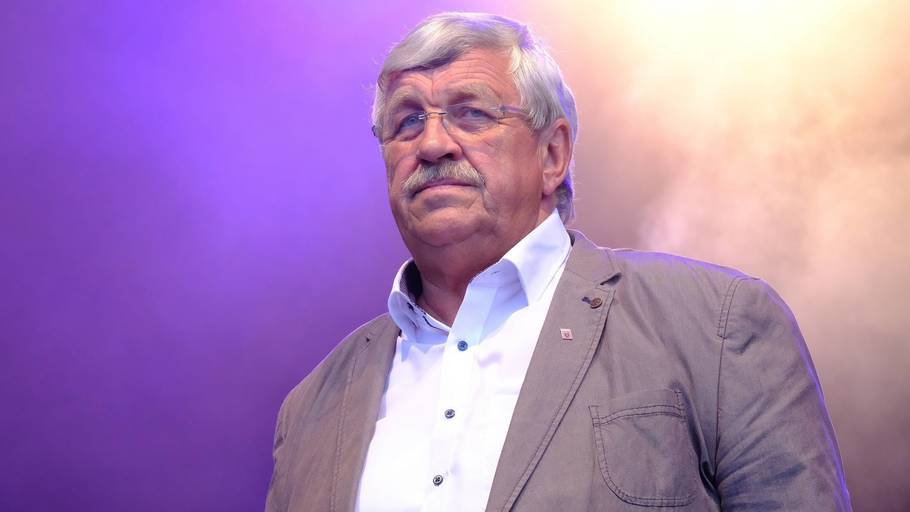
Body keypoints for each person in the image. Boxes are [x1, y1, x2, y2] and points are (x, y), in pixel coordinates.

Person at [265, 12, 851, 512]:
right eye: (407, 120)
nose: (432, 143)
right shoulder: (313, 406)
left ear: (552, 154)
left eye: (471, 113)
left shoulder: (717, 326)